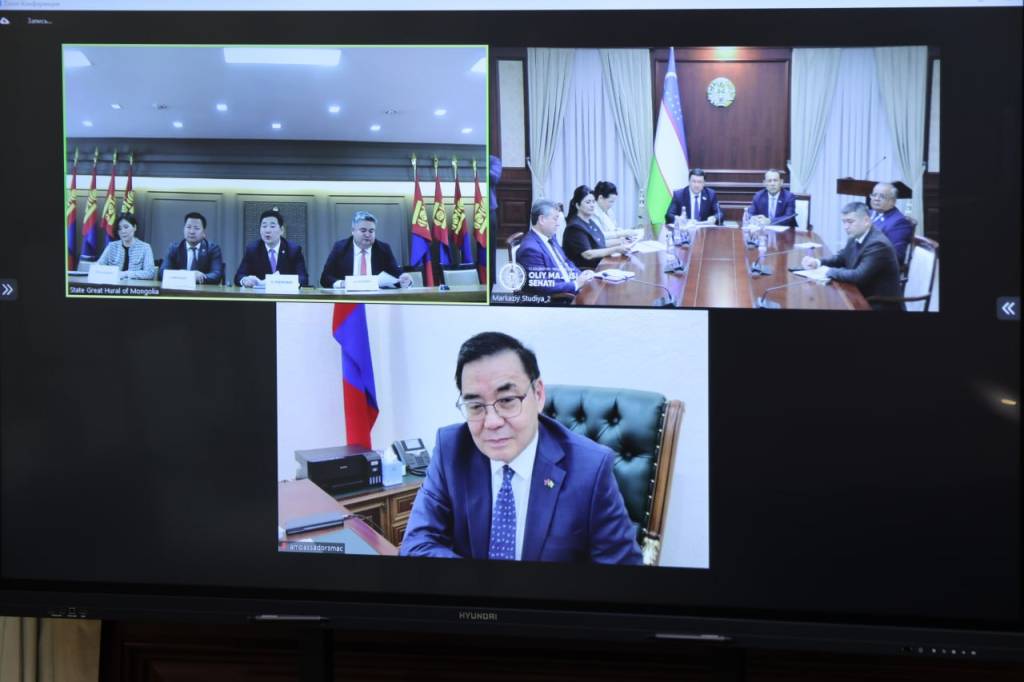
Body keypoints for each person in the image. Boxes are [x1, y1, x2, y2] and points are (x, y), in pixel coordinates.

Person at [400, 332, 643, 564]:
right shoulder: (451, 449)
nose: (492, 422)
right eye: (475, 406)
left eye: (507, 401)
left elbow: (623, 572)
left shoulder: (591, 469)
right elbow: (416, 545)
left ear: (538, 395)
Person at [801, 201, 901, 311]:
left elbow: (858, 276)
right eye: (844, 222)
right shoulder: (855, 235)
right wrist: (817, 262)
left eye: (850, 222)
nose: (845, 227)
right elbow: (841, 258)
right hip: (858, 292)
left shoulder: (877, 244)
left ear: (866, 221)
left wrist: (827, 271)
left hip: (877, 303)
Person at [513, 200, 594, 298]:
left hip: (571, 286)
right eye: (555, 219)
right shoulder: (530, 250)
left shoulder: (550, 236)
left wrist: (581, 275)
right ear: (542, 220)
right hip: (560, 297)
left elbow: (566, 261)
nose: (558, 224)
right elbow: (542, 286)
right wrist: (575, 284)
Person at [319, 210, 412, 289]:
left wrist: (404, 277)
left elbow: (396, 273)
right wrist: (342, 284)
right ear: (353, 231)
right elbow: (325, 278)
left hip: (376, 298)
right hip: (348, 298)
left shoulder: (383, 249)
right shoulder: (340, 248)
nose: (367, 235)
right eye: (363, 230)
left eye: (371, 231)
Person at [562, 185, 635, 271]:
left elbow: (599, 242)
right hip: (586, 270)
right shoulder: (575, 227)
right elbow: (588, 254)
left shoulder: (589, 221)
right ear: (578, 205)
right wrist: (616, 249)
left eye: (593, 202)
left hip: (599, 265)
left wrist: (621, 242)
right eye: (588, 202)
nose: (592, 205)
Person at [234, 208, 308, 288]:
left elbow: (303, 278)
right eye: (264, 226)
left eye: (272, 226)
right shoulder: (253, 250)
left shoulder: (293, 250)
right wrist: (245, 280)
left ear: (281, 230)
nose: (267, 230)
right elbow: (239, 276)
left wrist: (288, 282)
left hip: (285, 294)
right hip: (260, 295)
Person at [159, 212, 225, 284]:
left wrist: (200, 277)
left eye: (196, 228)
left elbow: (216, 274)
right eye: (188, 227)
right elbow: (163, 273)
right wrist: (189, 275)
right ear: (183, 230)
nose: (192, 232)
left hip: (203, 289)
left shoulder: (212, 249)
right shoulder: (174, 248)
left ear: (204, 233)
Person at [94, 213, 156, 279]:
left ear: (134, 227)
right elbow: (97, 267)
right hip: (113, 284)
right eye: (119, 228)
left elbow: (150, 273)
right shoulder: (111, 246)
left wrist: (126, 274)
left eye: (126, 227)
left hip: (134, 285)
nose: (123, 231)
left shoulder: (145, 247)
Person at [868, 182, 914, 264]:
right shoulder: (869, 213)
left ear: (892, 201)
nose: (876, 199)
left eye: (882, 196)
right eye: (874, 195)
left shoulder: (899, 223)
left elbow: (896, 256)